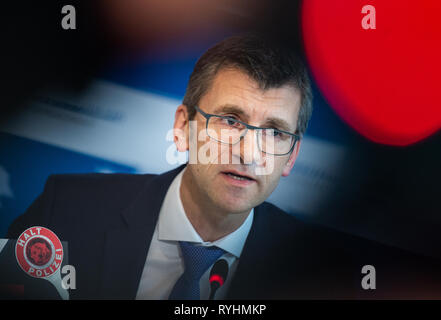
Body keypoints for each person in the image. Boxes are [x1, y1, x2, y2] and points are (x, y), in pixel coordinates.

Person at [7, 34, 441, 299]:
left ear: (291, 157)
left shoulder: (320, 272)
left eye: (274, 132)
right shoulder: (66, 209)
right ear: (183, 127)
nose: (249, 152)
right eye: (231, 120)